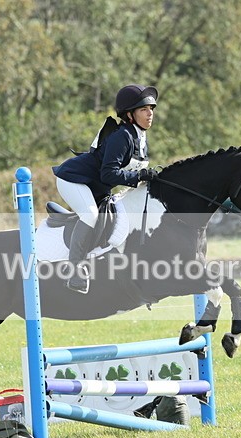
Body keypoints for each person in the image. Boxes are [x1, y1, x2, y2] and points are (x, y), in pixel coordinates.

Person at [53, 84, 160, 294]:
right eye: (143, 109)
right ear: (129, 114)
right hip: (74, 179)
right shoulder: (123, 136)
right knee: (91, 215)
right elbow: (108, 174)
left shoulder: (140, 138)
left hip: (97, 187)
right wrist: (139, 176)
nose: (150, 114)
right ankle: (74, 272)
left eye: (151, 109)